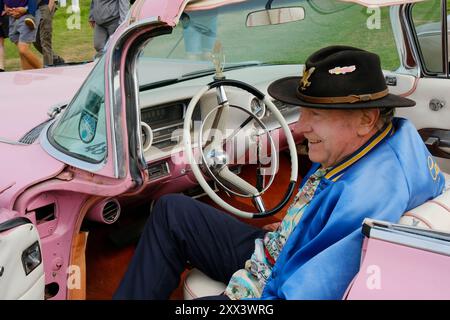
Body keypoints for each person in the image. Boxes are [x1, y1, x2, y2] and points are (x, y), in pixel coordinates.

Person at [113, 46, 446, 300]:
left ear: (366, 118)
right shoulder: (394, 138)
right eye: (303, 111)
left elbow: (307, 291)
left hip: (279, 279)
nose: (301, 126)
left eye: (316, 113)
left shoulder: (363, 196)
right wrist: (298, 225)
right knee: (173, 211)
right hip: (290, 246)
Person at [2, 0, 42, 69]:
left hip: (28, 15)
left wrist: (26, 9)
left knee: (23, 49)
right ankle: (26, 77)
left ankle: (44, 71)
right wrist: (5, 7)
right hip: (12, 15)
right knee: (22, 53)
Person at [33, 0, 64, 67]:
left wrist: (49, 6)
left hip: (45, 4)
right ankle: (55, 59)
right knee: (35, 39)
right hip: (34, 8)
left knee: (45, 38)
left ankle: (48, 66)